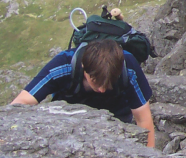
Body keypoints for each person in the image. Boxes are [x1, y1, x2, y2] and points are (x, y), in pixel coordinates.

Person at [12, 39, 155, 148]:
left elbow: (143, 119)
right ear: (83, 67)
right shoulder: (63, 65)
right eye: (95, 82)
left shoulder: (128, 67)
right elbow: (21, 103)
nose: (102, 90)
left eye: (109, 83)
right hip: (66, 124)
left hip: (117, 122)